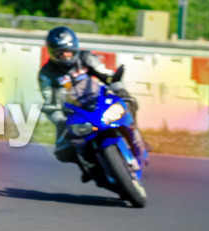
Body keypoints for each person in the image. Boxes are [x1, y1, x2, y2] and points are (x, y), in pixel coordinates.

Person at [38, 26, 143, 178]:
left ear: (75, 48)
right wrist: (58, 116)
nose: (65, 56)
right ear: (52, 52)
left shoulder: (85, 57)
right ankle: (87, 166)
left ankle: (135, 135)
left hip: (98, 100)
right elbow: (48, 97)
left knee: (129, 101)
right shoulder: (46, 73)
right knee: (63, 149)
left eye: (68, 51)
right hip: (72, 113)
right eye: (59, 53)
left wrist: (116, 84)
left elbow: (105, 74)